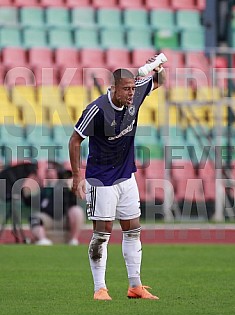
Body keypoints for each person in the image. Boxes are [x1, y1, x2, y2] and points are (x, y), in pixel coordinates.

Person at [69, 55, 166, 300]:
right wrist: (76, 175)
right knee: (102, 233)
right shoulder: (97, 109)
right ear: (113, 88)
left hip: (126, 176)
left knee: (133, 230)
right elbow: (75, 140)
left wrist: (159, 68)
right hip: (101, 179)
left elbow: (158, 81)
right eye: (126, 89)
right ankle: (99, 288)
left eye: (133, 88)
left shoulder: (136, 95)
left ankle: (135, 286)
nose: (131, 93)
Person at [22, 167, 84, 246]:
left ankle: (73, 240)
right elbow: (29, 202)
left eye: (51, 171)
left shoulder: (64, 188)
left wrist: (70, 187)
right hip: (48, 218)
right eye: (47, 171)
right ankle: (43, 240)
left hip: (64, 218)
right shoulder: (43, 190)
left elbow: (73, 201)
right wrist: (25, 187)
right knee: (34, 218)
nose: (49, 174)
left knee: (77, 211)